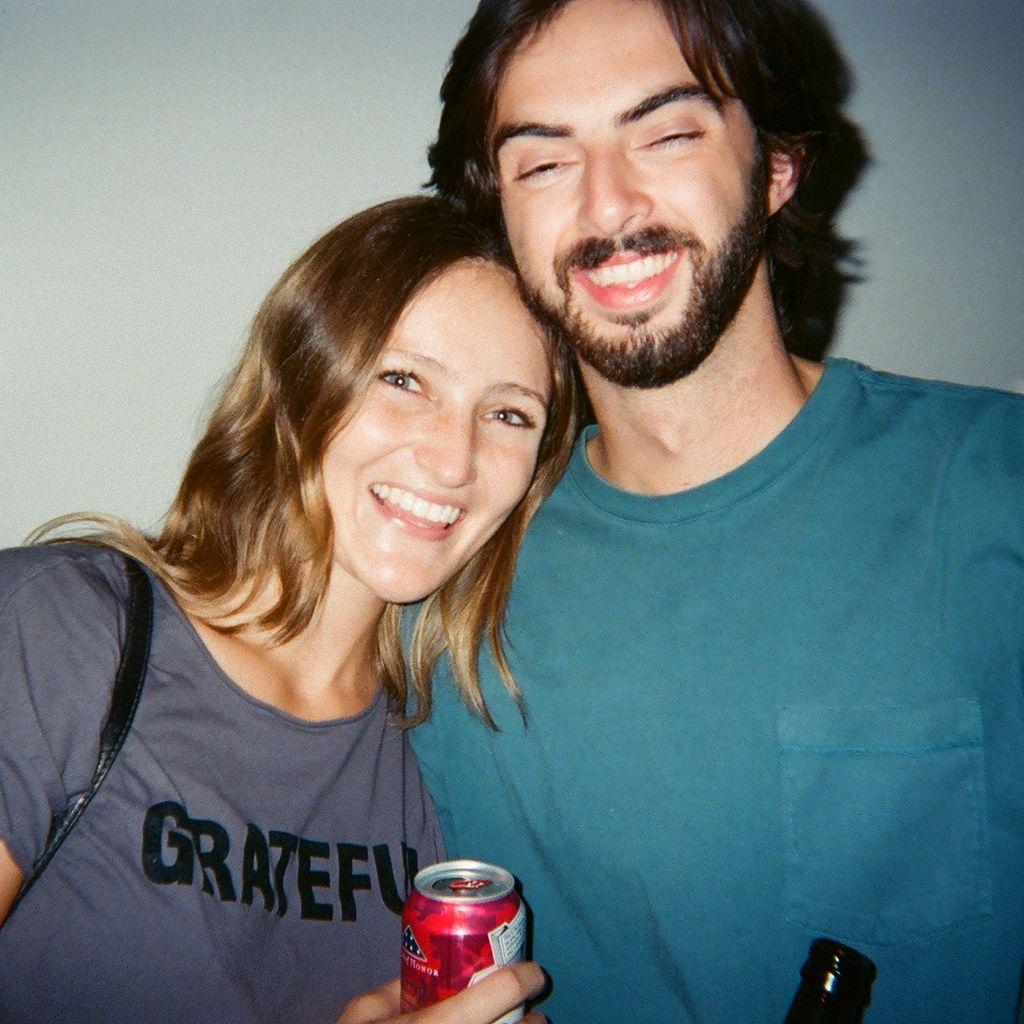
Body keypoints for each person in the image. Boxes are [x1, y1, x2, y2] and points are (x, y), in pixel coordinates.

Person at [406, 2, 1024, 1023]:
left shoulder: (997, 487)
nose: (607, 205)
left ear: (775, 166)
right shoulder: (444, 572)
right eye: (544, 163)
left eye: (667, 134)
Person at [0, 195, 577, 1023]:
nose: (455, 459)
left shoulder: (443, 755)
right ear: (300, 378)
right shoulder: (55, 630)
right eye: (404, 380)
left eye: (510, 414)